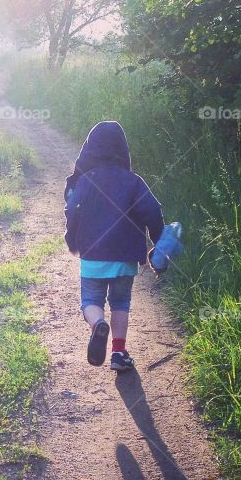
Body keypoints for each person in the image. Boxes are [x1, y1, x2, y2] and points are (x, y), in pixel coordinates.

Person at [64, 120, 164, 371]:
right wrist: (159, 241)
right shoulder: (133, 181)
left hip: (93, 256)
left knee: (90, 300)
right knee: (121, 302)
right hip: (124, 257)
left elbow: (72, 210)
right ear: (123, 150)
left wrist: (72, 238)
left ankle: (98, 324)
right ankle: (118, 353)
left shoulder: (86, 181)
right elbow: (152, 210)